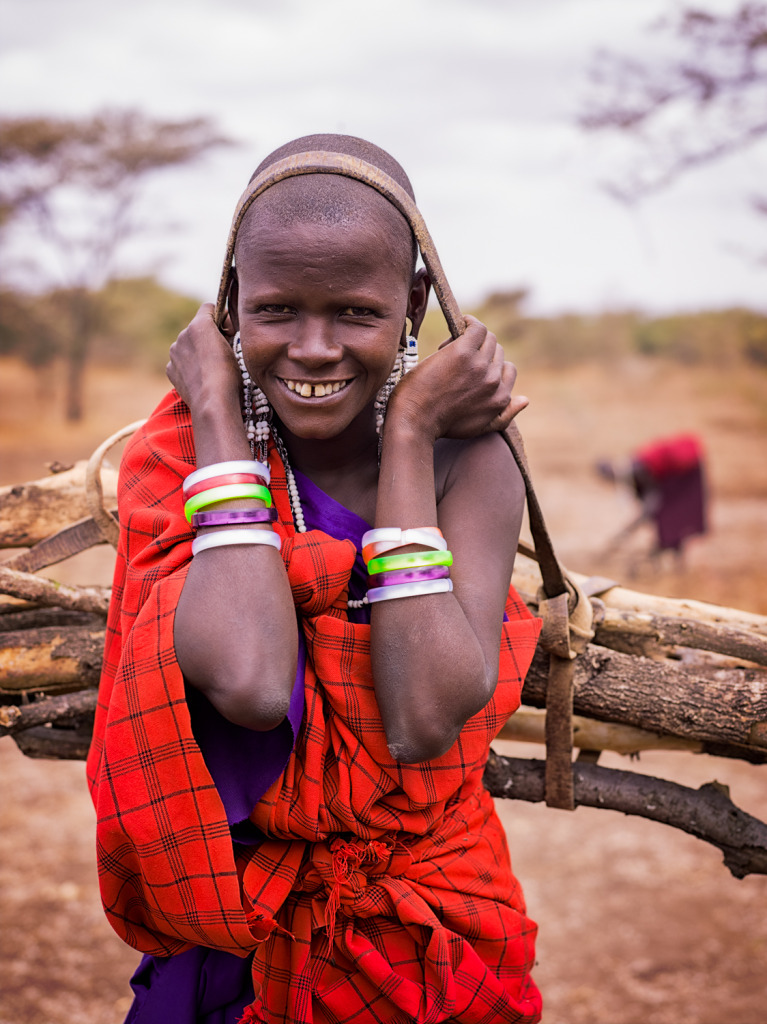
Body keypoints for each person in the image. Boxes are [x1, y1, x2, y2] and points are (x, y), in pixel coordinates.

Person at [87, 134, 543, 1024]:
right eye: (275, 310)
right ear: (228, 302)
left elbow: (421, 719)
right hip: (235, 927)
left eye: (355, 313)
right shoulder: (179, 449)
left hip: (425, 932)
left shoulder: (468, 461)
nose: (313, 348)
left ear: (414, 303)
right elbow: (254, 686)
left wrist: (410, 435)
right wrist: (219, 417)